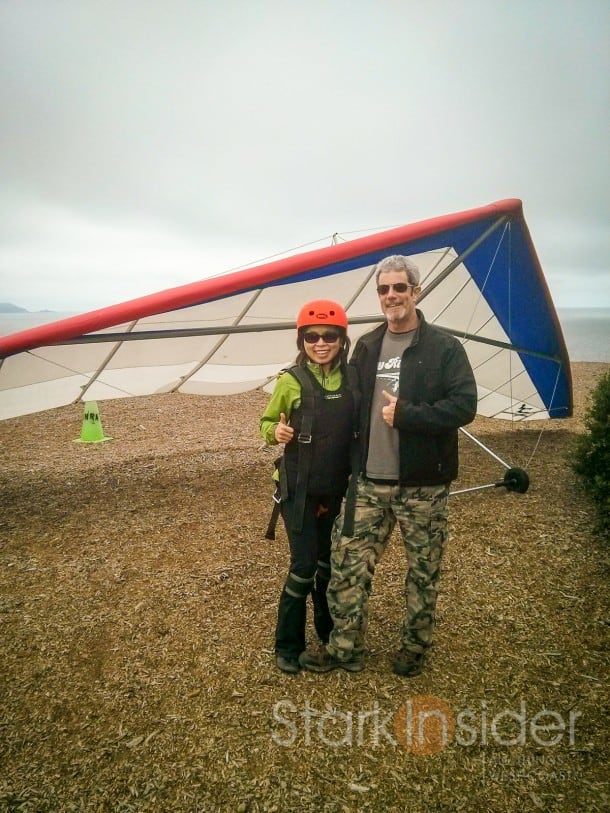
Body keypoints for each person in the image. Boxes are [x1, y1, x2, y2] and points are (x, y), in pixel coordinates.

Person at [299, 255, 478, 676]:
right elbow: (347, 406)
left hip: (423, 486)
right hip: (368, 481)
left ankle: (414, 647)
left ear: (415, 292)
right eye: (384, 289)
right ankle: (344, 649)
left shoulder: (444, 348)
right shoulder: (367, 346)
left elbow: (465, 405)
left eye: (400, 287)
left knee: (423, 572)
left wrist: (409, 415)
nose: (392, 295)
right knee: (347, 567)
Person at [260, 300, 357, 674]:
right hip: (297, 491)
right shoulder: (290, 381)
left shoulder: (351, 380)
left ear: (341, 340)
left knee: (326, 566)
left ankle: (328, 633)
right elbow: (266, 423)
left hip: (333, 489)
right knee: (303, 567)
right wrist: (276, 432)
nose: (320, 343)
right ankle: (287, 645)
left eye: (329, 336)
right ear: (301, 340)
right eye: (312, 336)